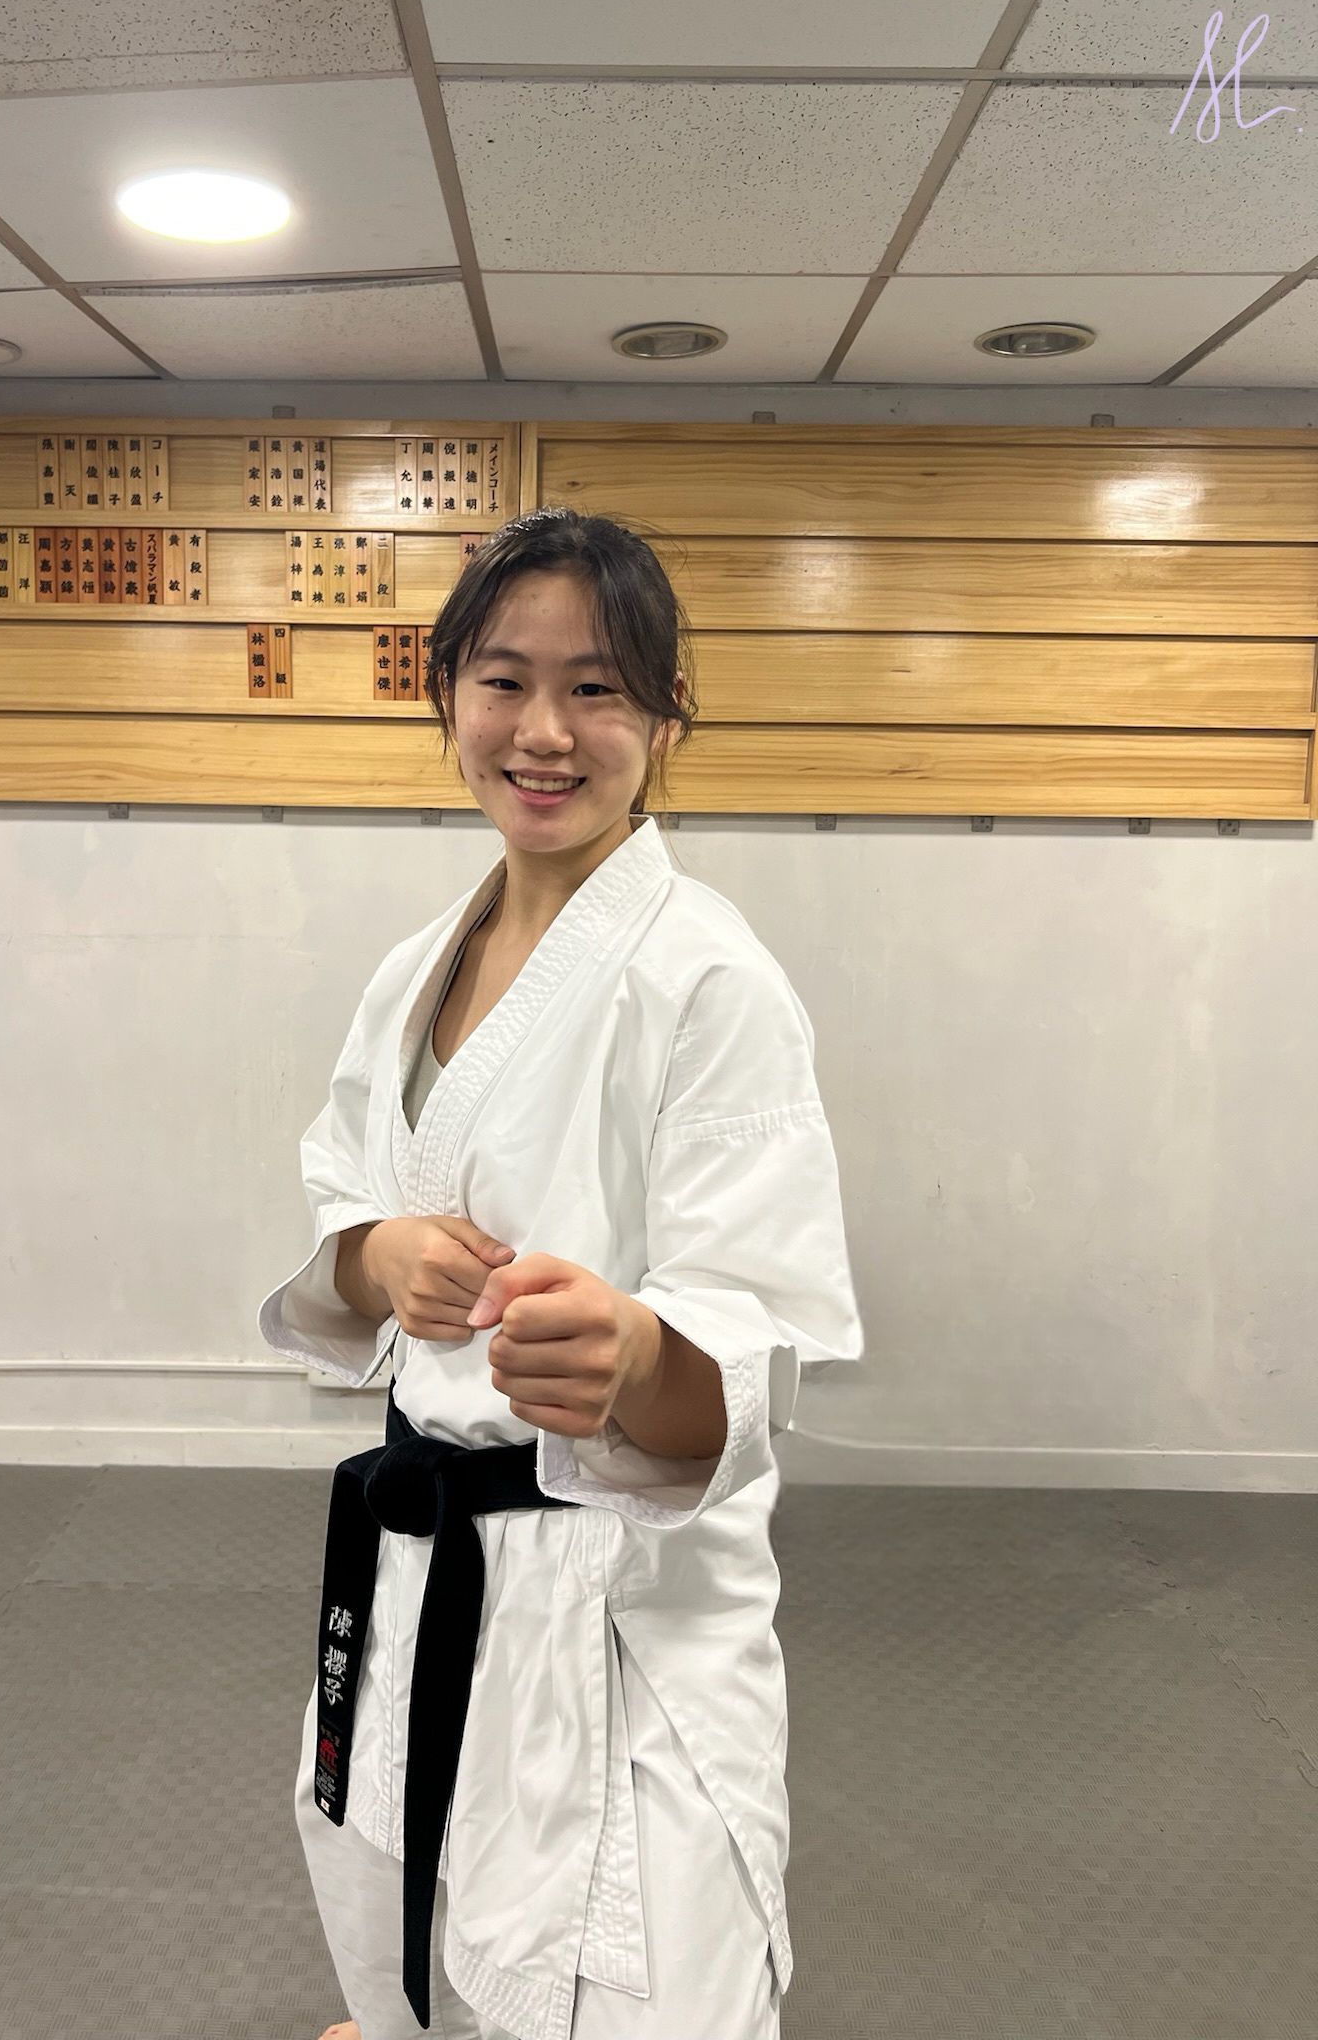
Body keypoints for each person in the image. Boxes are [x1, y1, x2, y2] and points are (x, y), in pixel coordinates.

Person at [258, 507, 865, 2040]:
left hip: (620, 1605)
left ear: (667, 716)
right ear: (446, 695)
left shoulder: (709, 980)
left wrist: (638, 1356)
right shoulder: (414, 969)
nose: (544, 731)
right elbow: (340, 1200)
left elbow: (757, 1345)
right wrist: (377, 1253)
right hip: (423, 1554)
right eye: (504, 680)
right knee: (403, 1909)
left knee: (645, 1980)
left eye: (597, 687)